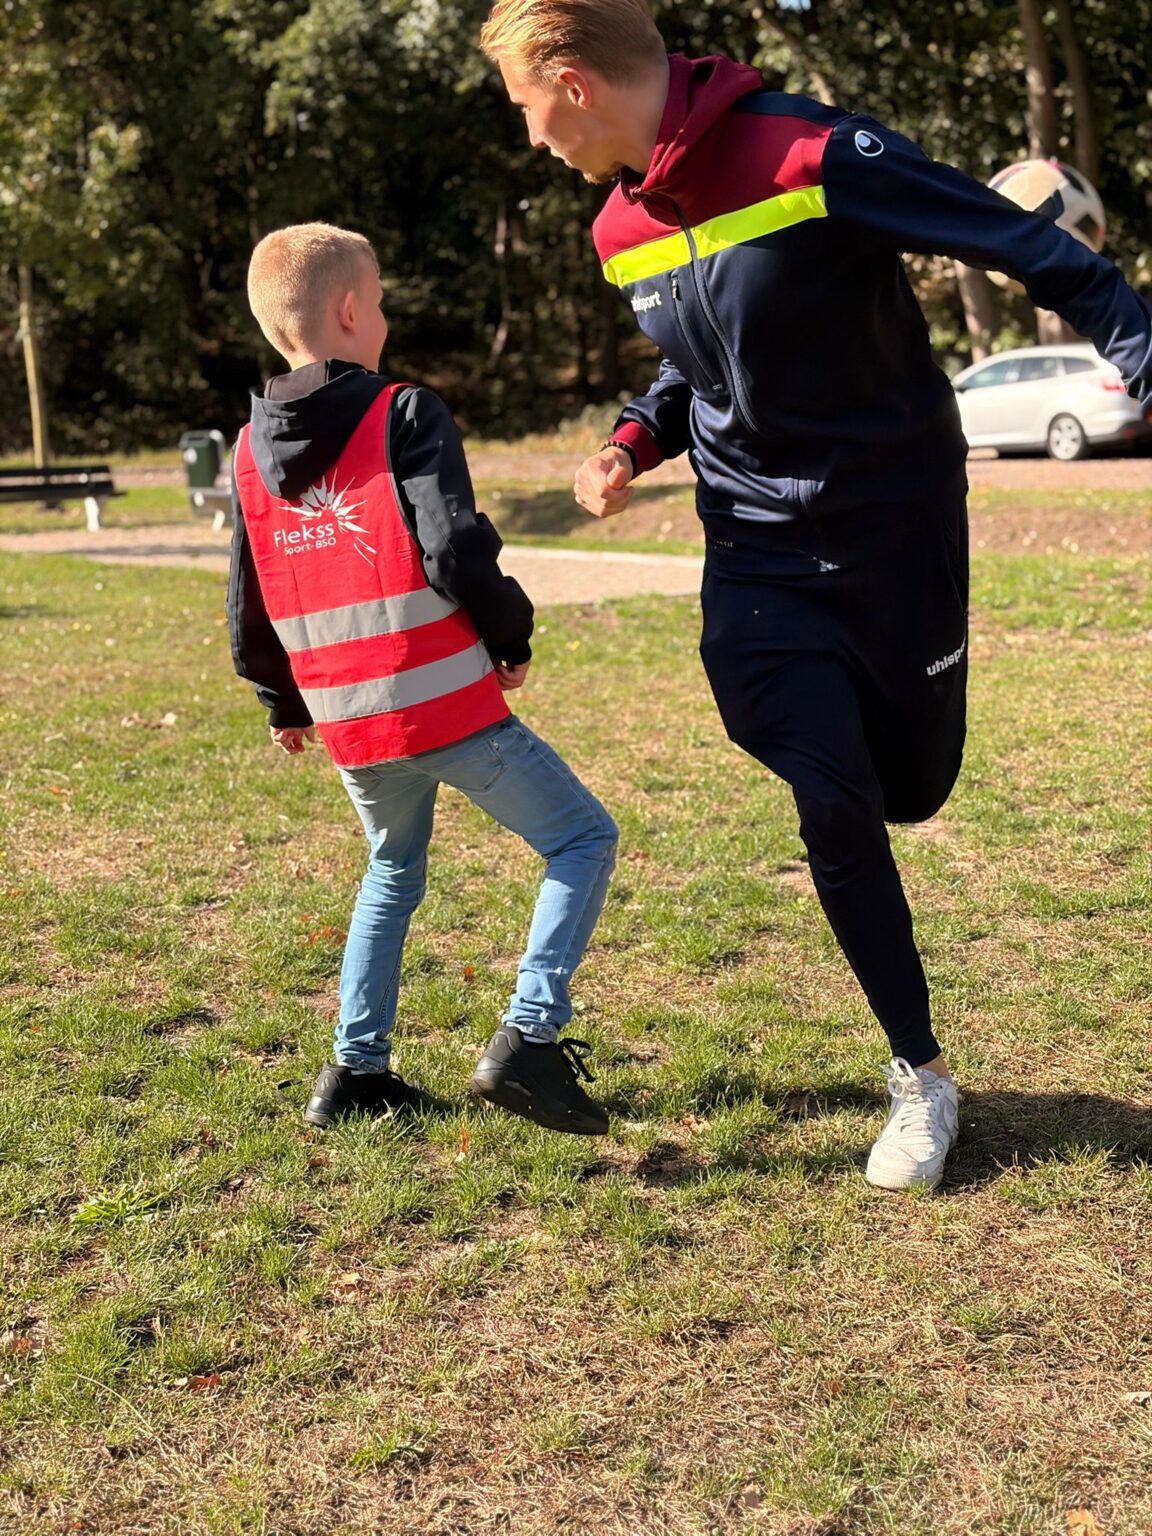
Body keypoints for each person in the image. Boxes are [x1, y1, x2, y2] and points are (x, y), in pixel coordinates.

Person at [480, 0, 1152, 1189]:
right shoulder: (617, 228)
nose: (532, 139)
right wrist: (632, 442)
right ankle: (921, 1076)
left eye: (528, 111)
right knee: (828, 799)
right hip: (755, 550)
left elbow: (1032, 248)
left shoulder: (806, 151)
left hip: (893, 531)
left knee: (914, 786)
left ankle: (871, 779)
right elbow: (700, 367)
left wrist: (1140, 352)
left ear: (573, 84)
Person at [228, 221, 618, 1136]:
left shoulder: (246, 452)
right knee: (582, 841)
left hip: (349, 722)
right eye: (383, 301)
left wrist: (281, 698)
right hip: (441, 702)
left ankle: (355, 1072)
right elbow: (453, 544)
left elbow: (249, 597)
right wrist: (509, 631)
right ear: (353, 309)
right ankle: (528, 1038)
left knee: (392, 869)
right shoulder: (402, 410)